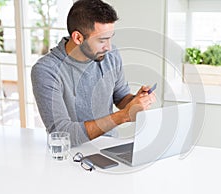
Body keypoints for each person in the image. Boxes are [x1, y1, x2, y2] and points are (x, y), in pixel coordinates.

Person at [31, 0, 156, 147]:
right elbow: (62, 134)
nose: (109, 47)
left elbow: (121, 97)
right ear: (78, 38)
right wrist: (123, 116)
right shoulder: (46, 70)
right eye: (102, 40)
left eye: (110, 38)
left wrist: (135, 101)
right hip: (72, 153)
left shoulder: (111, 55)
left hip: (109, 146)